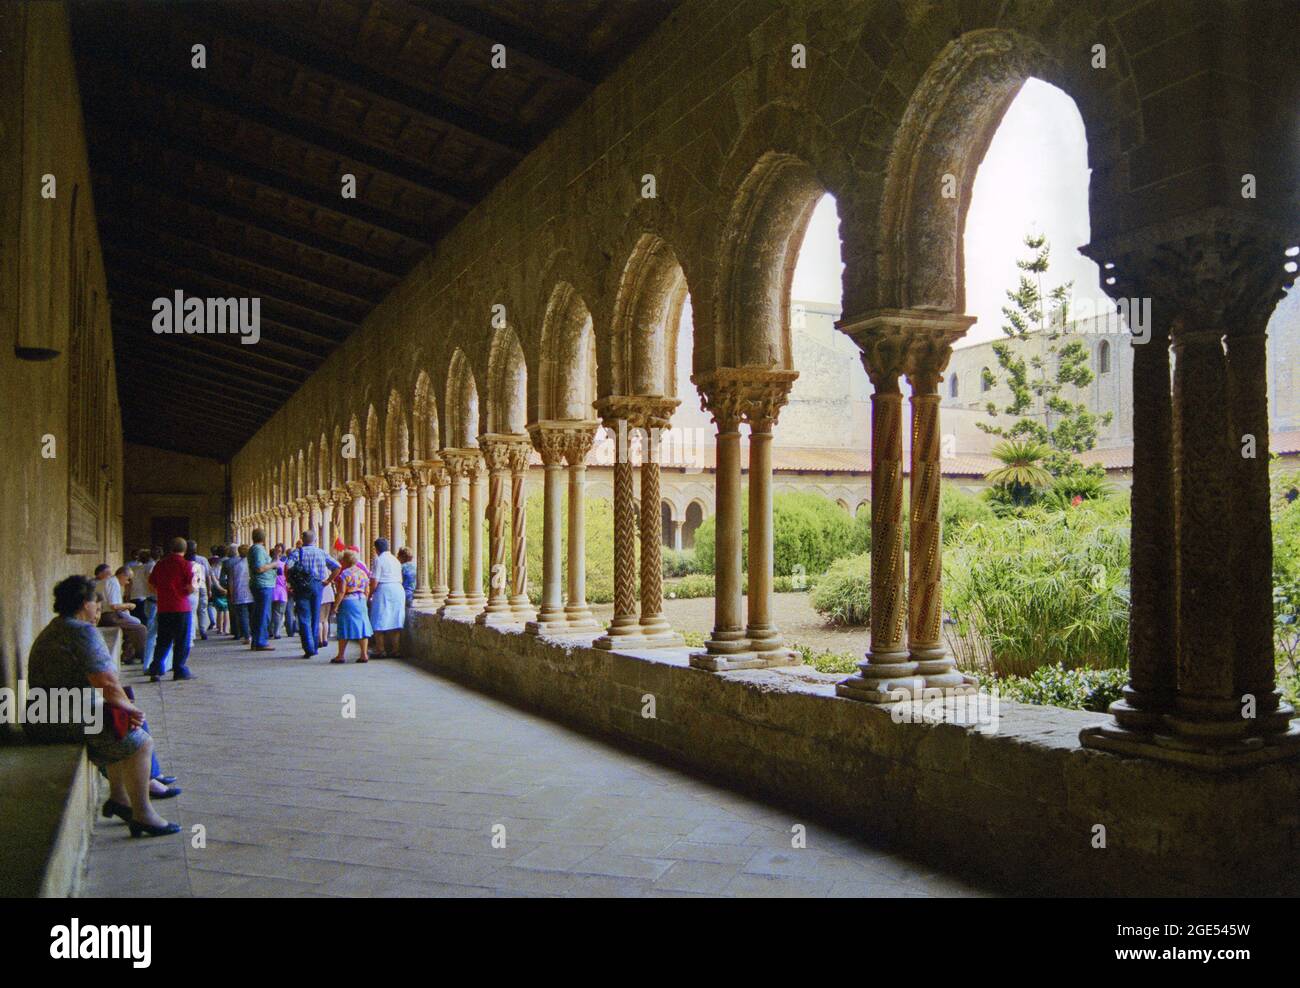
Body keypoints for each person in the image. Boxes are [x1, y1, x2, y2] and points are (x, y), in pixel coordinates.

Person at [25, 576, 180, 837]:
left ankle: (120, 798)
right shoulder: (80, 631)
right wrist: (130, 710)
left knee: (117, 719)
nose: (97, 607)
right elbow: (107, 682)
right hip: (57, 717)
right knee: (140, 740)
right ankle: (143, 814)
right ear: (84, 603)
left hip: (44, 713)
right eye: (94, 602)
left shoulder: (58, 626)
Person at [147, 537, 196, 682]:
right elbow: (191, 587)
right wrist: (182, 592)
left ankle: (155, 669)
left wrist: (163, 592)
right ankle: (179, 669)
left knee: (163, 639)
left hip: (164, 607)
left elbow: (151, 584)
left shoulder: (160, 565)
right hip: (181, 607)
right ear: (185, 549)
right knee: (182, 641)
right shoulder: (187, 565)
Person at [286, 531, 339, 659]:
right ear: (315, 540)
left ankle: (308, 647)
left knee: (304, 617)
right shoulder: (321, 552)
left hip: (301, 587)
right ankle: (315, 646)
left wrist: (290, 583)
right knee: (316, 616)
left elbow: (287, 567)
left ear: (303, 540)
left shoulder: (296, 552)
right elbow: (337, 566)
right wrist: (328, 581)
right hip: (317, 585)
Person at [93, 564, 147, 663]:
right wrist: (128, 605)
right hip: (109, 616)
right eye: (128, 579)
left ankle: (128, 656)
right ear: (122, 575)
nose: (127, 582)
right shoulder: (113, 583)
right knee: (141, 629)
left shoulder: (106, 582)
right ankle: (144, 655)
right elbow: (114, 606)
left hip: (105, 615)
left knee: (131, 626)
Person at [329, 551, 372, 664]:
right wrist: (365, 601)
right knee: (363, 626)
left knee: (344, 626)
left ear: (345, 561)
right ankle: (364, 654)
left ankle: (341, 655)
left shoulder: (345, 574)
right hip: (361, 600)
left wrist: (336, 605)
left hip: (348, 601)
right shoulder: (363, 573)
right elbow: (367, 589)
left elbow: (342, 591)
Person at [368, 538, 406, 659]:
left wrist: (369, 594)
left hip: (384, 589)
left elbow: (374, 580)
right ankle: (396, 649)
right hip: (398, 589)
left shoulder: (379, 560)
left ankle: (381, 649)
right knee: (396, 619)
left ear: (376, 549)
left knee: (378, 618)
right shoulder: (395, 560)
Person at [246, 529, 276, 651]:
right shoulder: (258, 549)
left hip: (261, 584)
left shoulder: (255, 549)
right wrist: (274, 564)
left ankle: (257, 640)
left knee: (260, 613)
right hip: (263, 585)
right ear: (264, 538)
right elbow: (259, 568)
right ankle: (260, 641)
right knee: (263, 614)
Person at [226, 544, 253, 643]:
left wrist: (232, 594)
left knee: (243, 616)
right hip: (252, 592)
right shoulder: (252, 564)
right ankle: (254, 634)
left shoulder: (235, 566)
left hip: (239, 593)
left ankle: (247, 636)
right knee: (252, 616)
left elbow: (231, 581)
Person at [270, 546, 289, 639]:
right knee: (279, 613)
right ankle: (276, 632)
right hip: (281, 592)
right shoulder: (284, 565)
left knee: (271, 612)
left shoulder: (268, 564)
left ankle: (271, 630)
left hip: (271, 591)